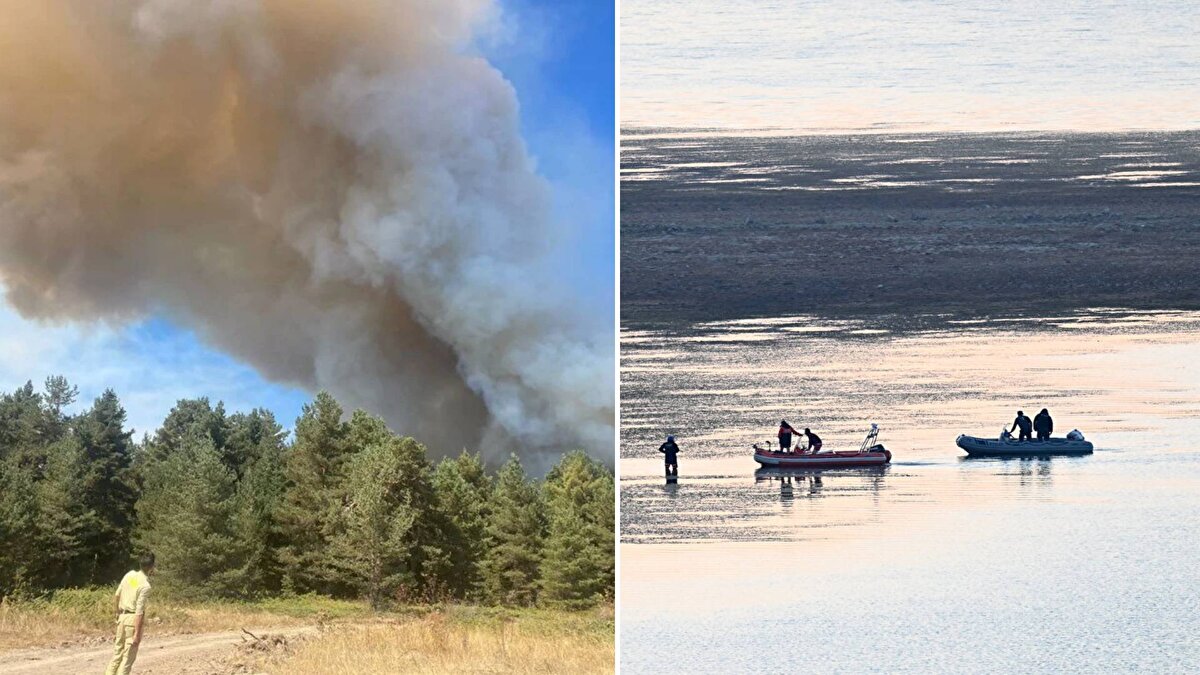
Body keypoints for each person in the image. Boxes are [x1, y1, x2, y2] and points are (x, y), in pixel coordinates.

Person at [105, 553, 155, 675]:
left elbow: (117, 594)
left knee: (117, 654)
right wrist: (137, 634)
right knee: (127, 659)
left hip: (122, 617)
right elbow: (139, 611)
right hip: (132, 620)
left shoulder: (130, 576)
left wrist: (116, 612)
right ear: (152, 567)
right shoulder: (145, 586)